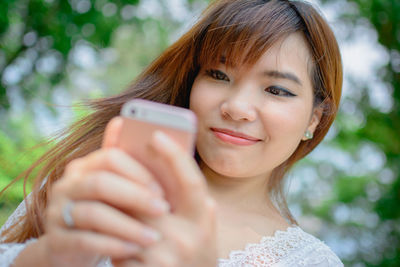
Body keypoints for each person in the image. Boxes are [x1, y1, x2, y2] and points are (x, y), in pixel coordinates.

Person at [0, 0, 344, 266]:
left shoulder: (313, 261)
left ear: (314, 119)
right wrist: (52, 256)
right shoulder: (103, 177)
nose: (236, 107)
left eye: (277, 90)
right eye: (219, 75)